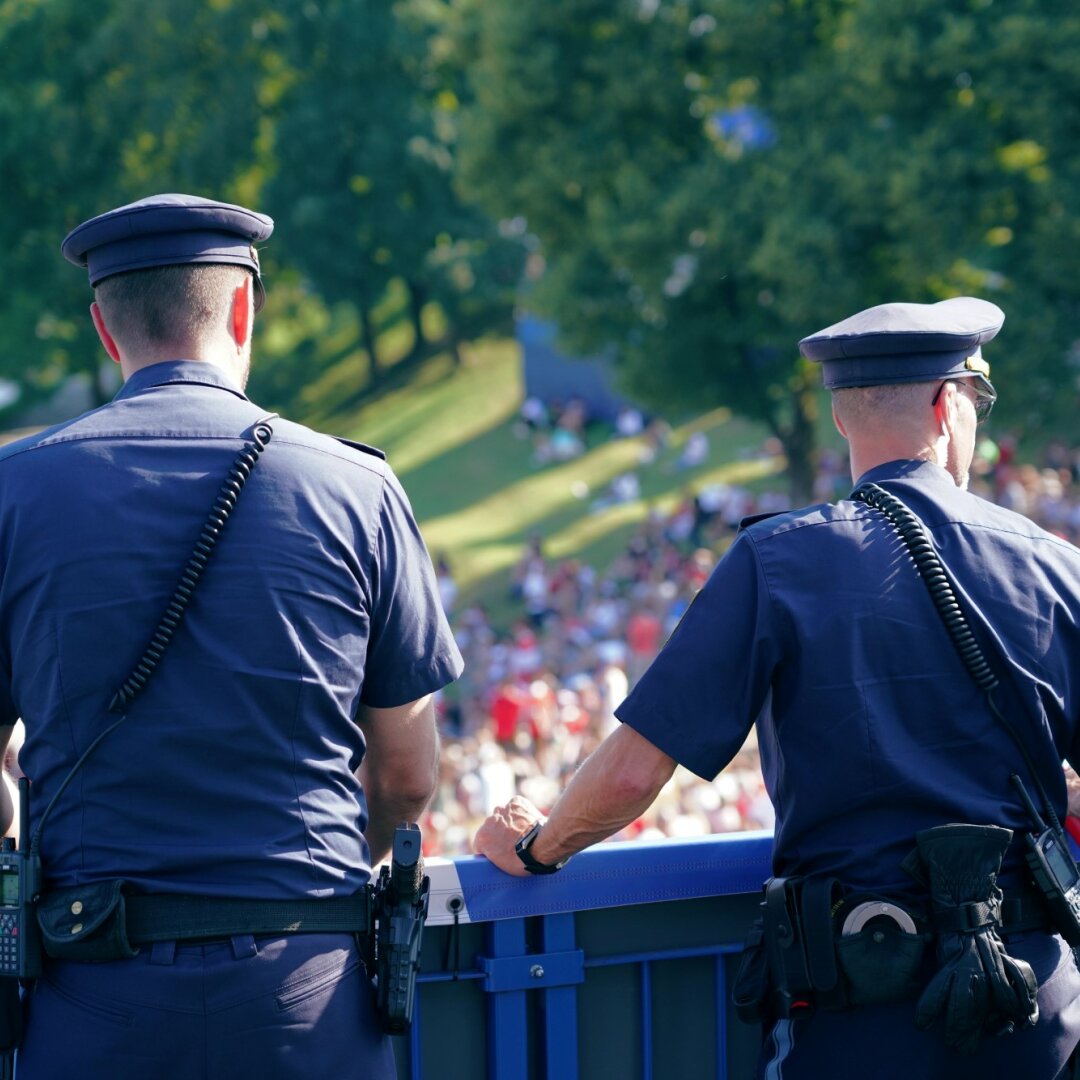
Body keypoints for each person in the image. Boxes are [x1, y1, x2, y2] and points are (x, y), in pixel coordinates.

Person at [475, 297, 1080, 1079]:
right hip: (1035, 1010)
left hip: (859, 1011)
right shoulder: (1055, 565)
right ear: (947, 405)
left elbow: (633, 772)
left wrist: (534, 846)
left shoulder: (776, 559)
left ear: (840, 419)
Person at [0, 193, 463, 1078]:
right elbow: (407, 776)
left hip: (90, 992)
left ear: (105, 329)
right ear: (244, 308)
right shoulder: (354, 488)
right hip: (309, 990)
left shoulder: (13, 493)